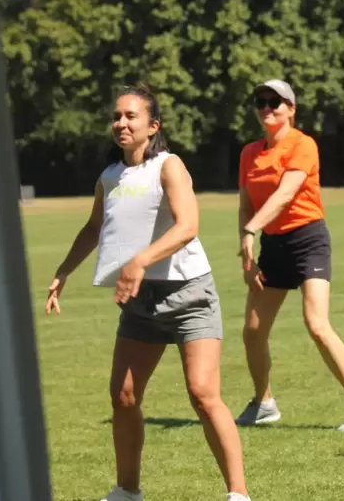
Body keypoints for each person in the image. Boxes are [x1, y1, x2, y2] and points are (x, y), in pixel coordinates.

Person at [45, 85, 251, 501]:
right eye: (117, 116)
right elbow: (93, 228)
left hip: (188, 294)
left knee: (202, 393)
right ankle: (127, 491)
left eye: (131, 116)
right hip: (139, 303)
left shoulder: (169, 166)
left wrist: (138, 261)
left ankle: (238, 494)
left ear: (152, 126)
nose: (121, 123)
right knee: (123, 396)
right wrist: (63, 271)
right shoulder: (109, 176)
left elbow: (188, 225)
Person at [235, 79, 344, 431]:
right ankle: (263, 402)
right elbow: (245, 205)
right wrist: (247, 251)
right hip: (273, 245)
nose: (268, 107)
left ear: (291, 109)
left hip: (308, 238)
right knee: (253, 330)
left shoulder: (303, 145)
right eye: (261, 101)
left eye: (276, 102)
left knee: (316, 323)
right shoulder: (249, 153)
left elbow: (285, 195)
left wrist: (252, 229)